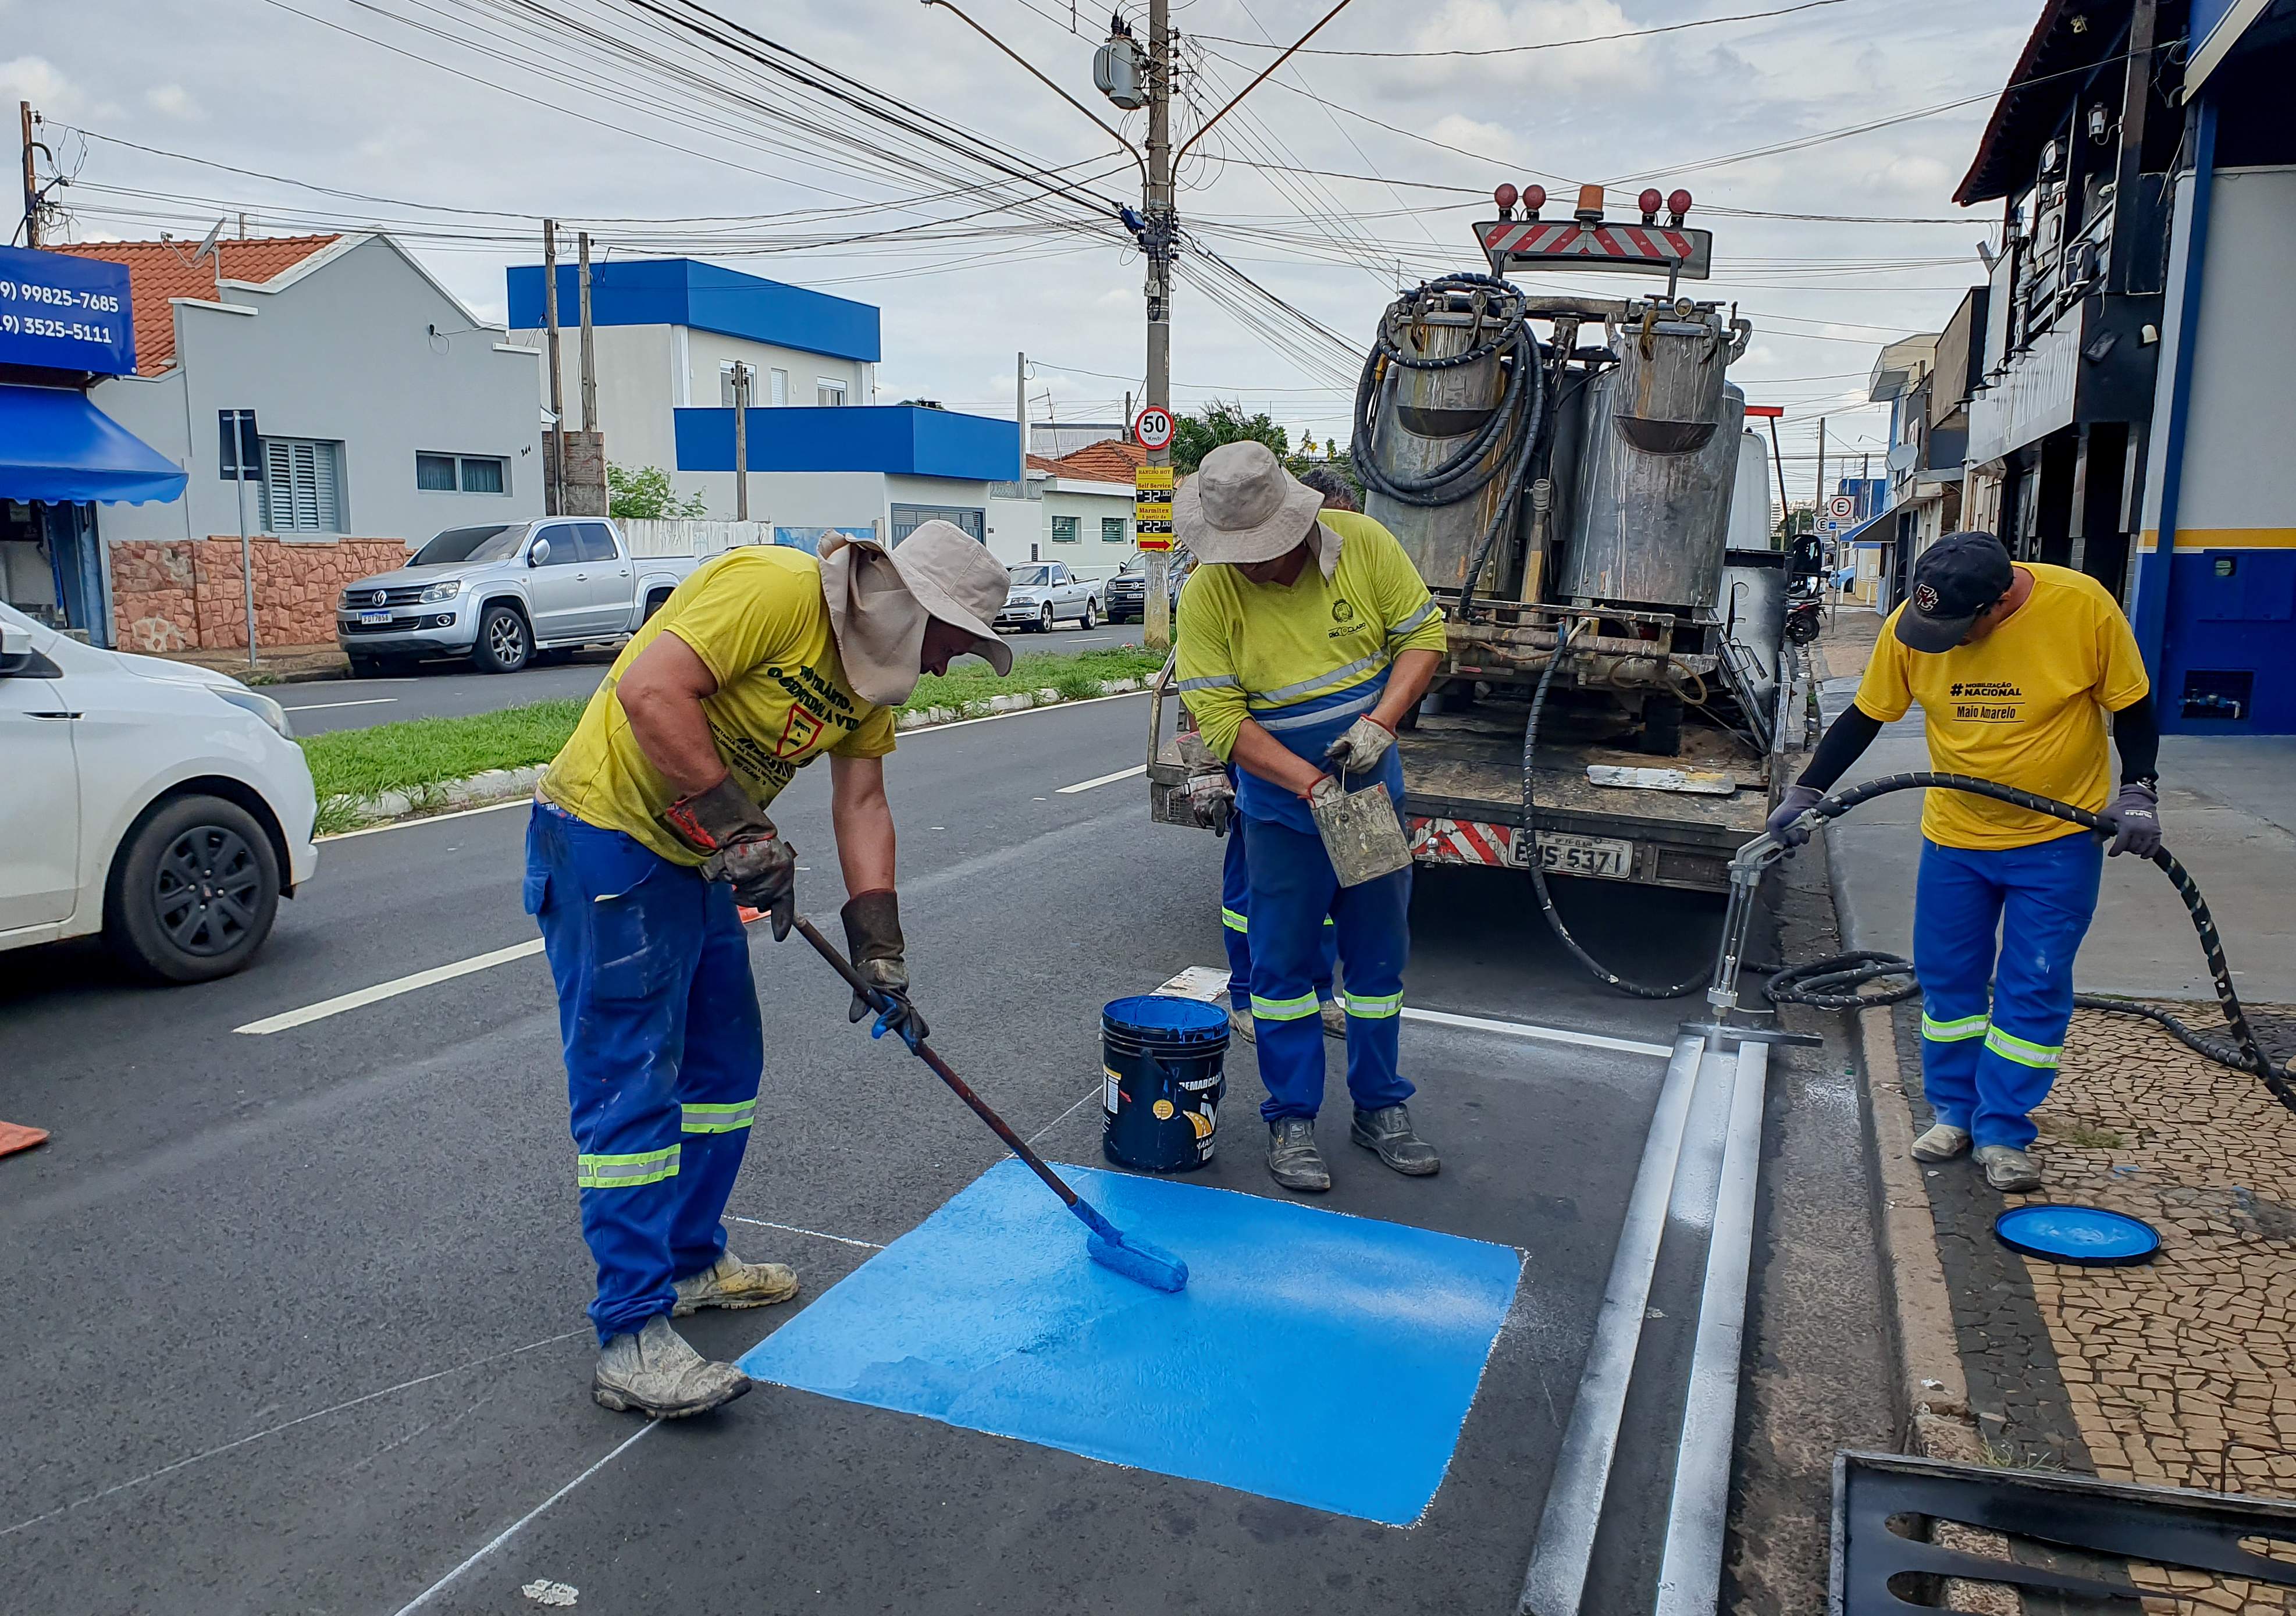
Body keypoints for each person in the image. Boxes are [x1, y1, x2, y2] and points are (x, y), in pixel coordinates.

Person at [525, 522, 1011, 1418]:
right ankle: (630, 1332)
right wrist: (744, 829)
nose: (947, 666)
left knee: (723, 1069)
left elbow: (861, 802)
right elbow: (650, 690)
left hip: (697, 854)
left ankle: (690, 1260)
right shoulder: (775, 590)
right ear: (917, 610)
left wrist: (880, 951)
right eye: (953, 644)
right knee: (633, 1081)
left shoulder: (870, 679)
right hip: (609, 838)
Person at [1768, 531, 2160, 1193]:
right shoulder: (1910, 626)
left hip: (2054, 841)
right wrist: (1809, 789)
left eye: (1954, 629)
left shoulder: (2081, 608)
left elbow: (2131, 705)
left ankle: (2003, 1129)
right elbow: (1866, 716)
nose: (1938, 640)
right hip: (1956, 836)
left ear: (1998, 604)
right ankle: (1953, 1112)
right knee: (1949, 985)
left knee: (2031, 987)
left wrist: (2138, 790)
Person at [1174, 442, 1448, 1193]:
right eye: (1237, 552)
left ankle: (1378, 1107)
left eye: (1261, 548)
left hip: (1371, 799)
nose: (1252, 565)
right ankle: (1289, 1117)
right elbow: (1221, 719)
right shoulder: (1207, 593)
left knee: (1374, 966)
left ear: (1297, 521)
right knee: (1281, 972)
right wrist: (1308, 786)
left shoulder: (1362, 544)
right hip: (1281, 812)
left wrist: (1379, 726)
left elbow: (1422, 637)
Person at [1193, 464, 1359, 1047]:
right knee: (1254, 894)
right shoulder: (1226, 583)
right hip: (1263, 768)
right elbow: (1208, 697)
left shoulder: (1340, 578)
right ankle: (1246, 996)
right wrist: (1212, 768)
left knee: (1326, 891)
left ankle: (1316, 993)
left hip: (1333, 773)